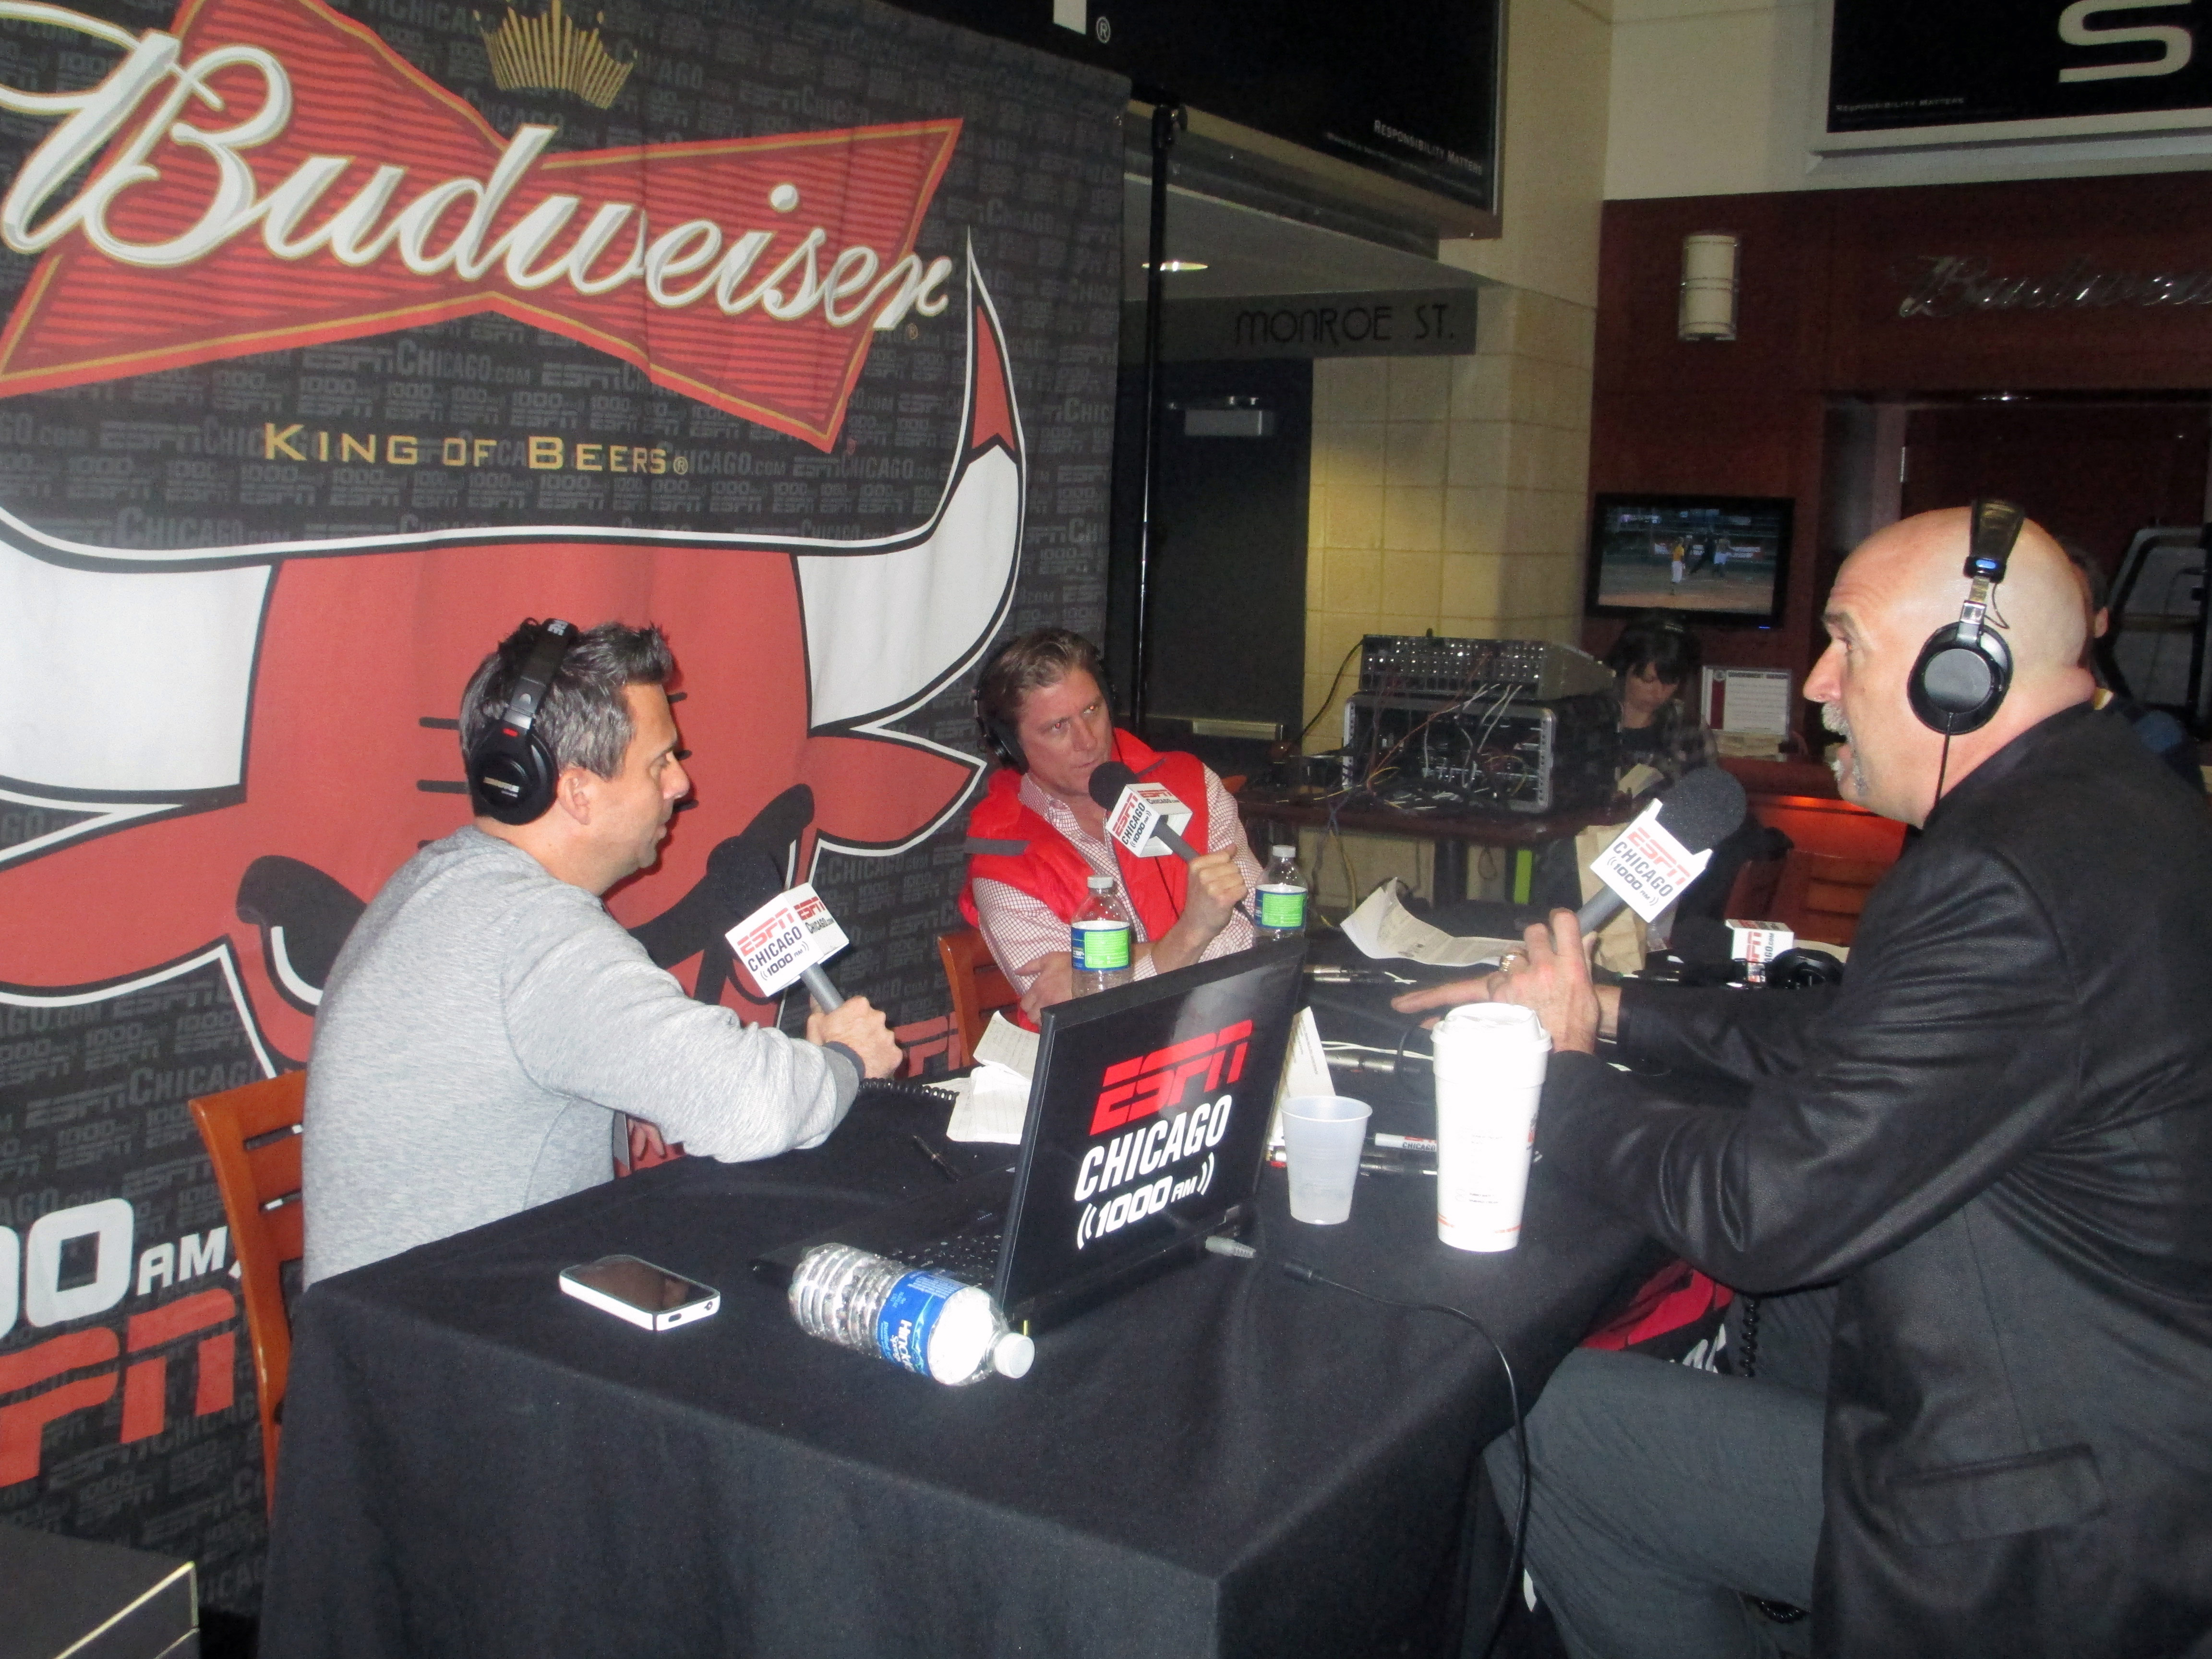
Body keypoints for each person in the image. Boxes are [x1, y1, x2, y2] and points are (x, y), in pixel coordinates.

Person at [1398, 507, 2212, 1657]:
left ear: (1960, 673)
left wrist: (1561, 1070)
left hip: (2042, 1509)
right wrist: (1621, 1007)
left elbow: (1759, 1211)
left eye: (1846, 642)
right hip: (2127, 1427)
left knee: (1543, 1417)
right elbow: (1863, 1038)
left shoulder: (2004, 871)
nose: (1818, 682)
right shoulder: (2104, 805)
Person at [302, 619, 901, 1286]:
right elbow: (751, 1107)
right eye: (659, 763)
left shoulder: (436, 880)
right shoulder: (538, 930)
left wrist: (613, 1094)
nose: (681, 786)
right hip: (454, 1350)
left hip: (390, 1331)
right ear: (578, 792)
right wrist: (847, 1059)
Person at [960, 628, 1261, 1020]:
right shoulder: (1001, 859)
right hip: (1099, 1065)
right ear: (1010, 747)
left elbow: (1262, 933)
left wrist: (1110, 965)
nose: (1087, 742)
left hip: (1224, 1024)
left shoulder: (1193, 785)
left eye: (1092, 711)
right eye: (1057, 727)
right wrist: (1192, 933)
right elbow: (1078, 1011)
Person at [1604, 611, 1718, 786]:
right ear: (1623, 670)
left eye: (1670, 682)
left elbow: (1708, 795)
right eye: (1648, 680)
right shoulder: (1593, 718)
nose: (1659, 693)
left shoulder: (1689, 726)